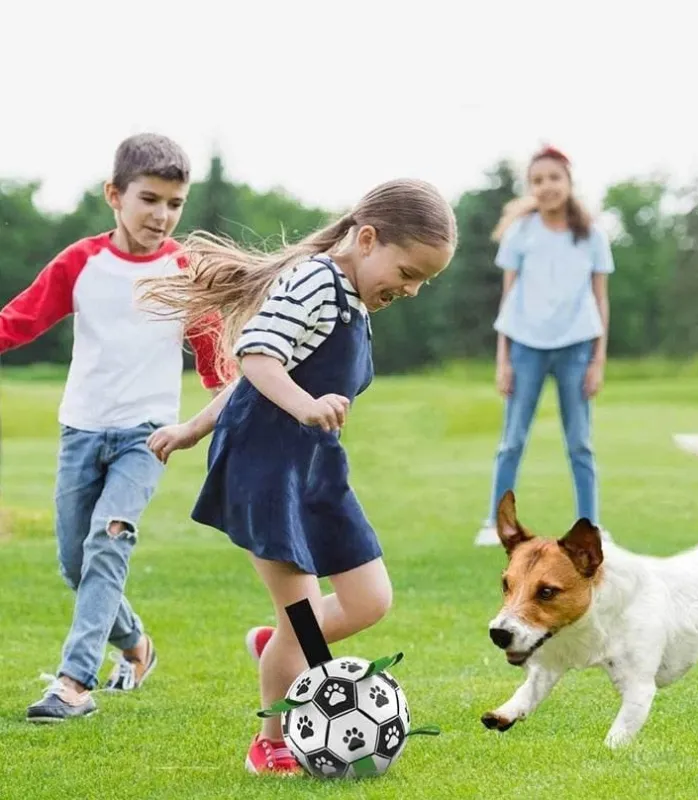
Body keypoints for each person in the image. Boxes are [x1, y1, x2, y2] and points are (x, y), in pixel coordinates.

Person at [138, 178, 457, 775]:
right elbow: (257, 356)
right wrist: (300, 407)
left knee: (369, 600)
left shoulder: (356, 299)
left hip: (315, 470)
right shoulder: (315, 279)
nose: (411, 290)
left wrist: (193, 426)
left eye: (423, 282)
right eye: (408, 271)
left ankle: (277, 647)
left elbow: (247, 377)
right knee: (304, 620)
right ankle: (272, 738)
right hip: (265, 469)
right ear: (367, 239)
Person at [0, 133, 225, 721]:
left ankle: (75, 682)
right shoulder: (81, 263)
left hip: (147, 436)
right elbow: (18, 321)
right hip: (80, 430)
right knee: (76, 562)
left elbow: (214, 362)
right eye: (149, 199)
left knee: (109, 539)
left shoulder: (184, 272)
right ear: (114, 195)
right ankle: (136, 644)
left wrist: (227, 413)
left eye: (174, 204)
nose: (162, 215)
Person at [475, 146, 614, 546]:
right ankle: (494, 523)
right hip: (525, 347)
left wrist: (597, 360)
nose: (546, 186)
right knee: (512, 440)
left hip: (576, 347)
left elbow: (601, 299)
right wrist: (503, 360)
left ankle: (591, 524)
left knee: (580, 443)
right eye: (537, 180)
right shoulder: (521, 233)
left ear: (569, 183)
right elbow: (508, 297)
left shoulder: (591, 236)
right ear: (530, 188)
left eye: (554, 178)